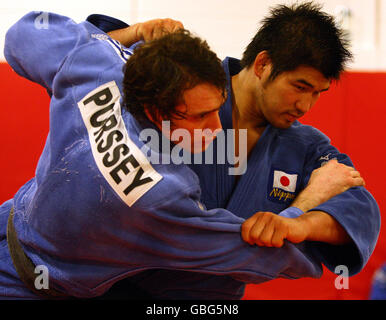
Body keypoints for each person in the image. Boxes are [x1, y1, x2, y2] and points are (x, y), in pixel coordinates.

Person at [0, 10, 368, 300]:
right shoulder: (162, 189)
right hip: (79, 282)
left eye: (318, 92)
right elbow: (246, 251)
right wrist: (298, 211)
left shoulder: (101, 64)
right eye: (299, 87)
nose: (305, 104)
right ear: (262, 64)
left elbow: (356, 202)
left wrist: (301, 224)